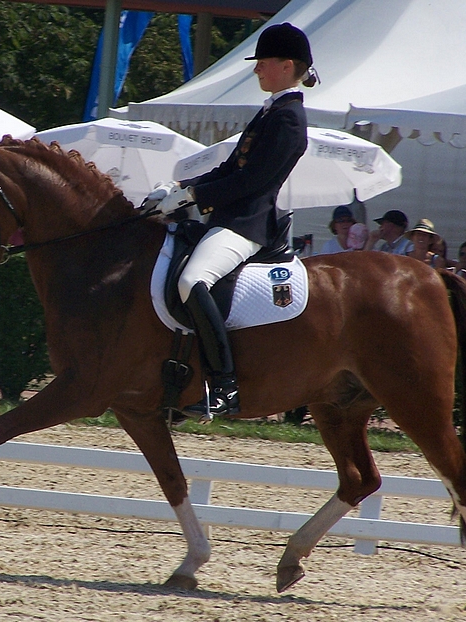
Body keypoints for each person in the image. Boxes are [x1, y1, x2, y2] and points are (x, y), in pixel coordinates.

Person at [142, 22, 317, 419]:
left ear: (287, 66)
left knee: (192, 281)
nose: (256, 70)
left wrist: (192, 197)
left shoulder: (288, 119)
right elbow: (228, 168)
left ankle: (224, 385)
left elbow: (252, 181)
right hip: (226, 218)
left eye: (263, 63)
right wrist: (178, 187)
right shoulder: (272, 111)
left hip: (247, 225)